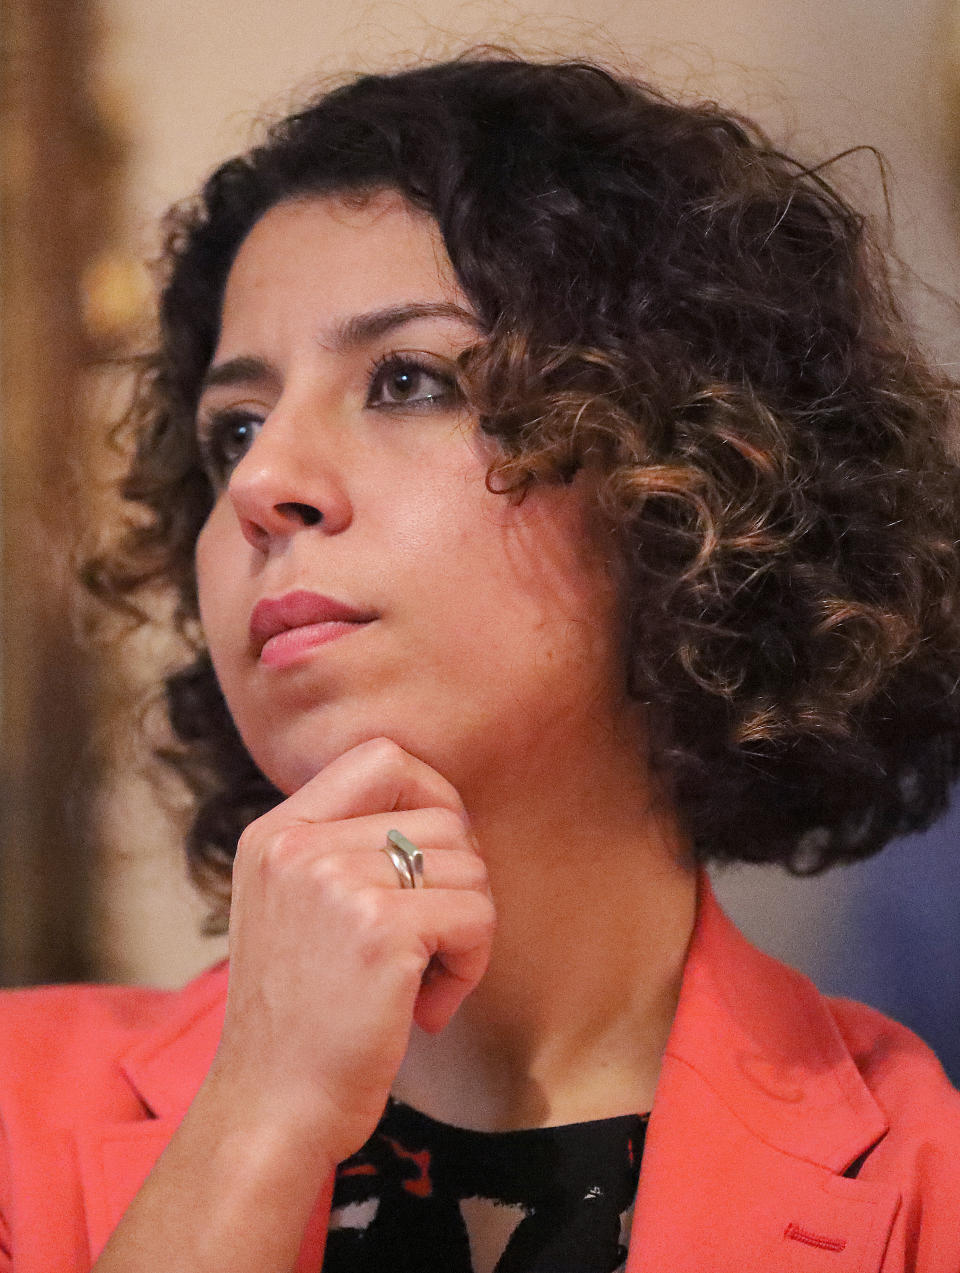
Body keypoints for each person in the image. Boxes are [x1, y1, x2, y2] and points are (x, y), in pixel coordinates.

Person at [3, 50, 960, 1273]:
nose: (259, 481)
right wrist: (258, 1123)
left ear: (684, 477)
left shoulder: (926, 1189)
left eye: (406, 380)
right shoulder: (14, 1111)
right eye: (233, 426)